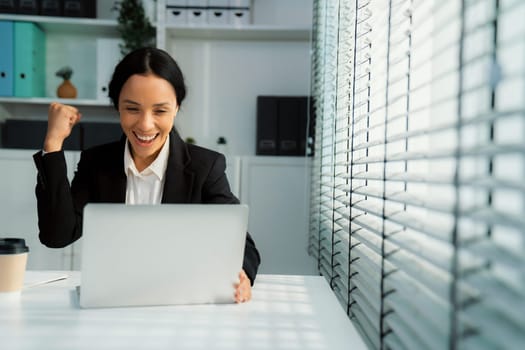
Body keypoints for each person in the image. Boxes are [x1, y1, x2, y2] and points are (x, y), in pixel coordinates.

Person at [33, 47, 260, 303]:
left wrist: (243, 277)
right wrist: (53, 144)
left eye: (160, 111)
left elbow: (242, 244)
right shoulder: (96, 163)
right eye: (132, 109)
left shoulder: (204, 167)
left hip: (182, 303)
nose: (145, 125)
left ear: (176, 108)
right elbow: (57, 235)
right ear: (117, 105)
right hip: (112, 302)